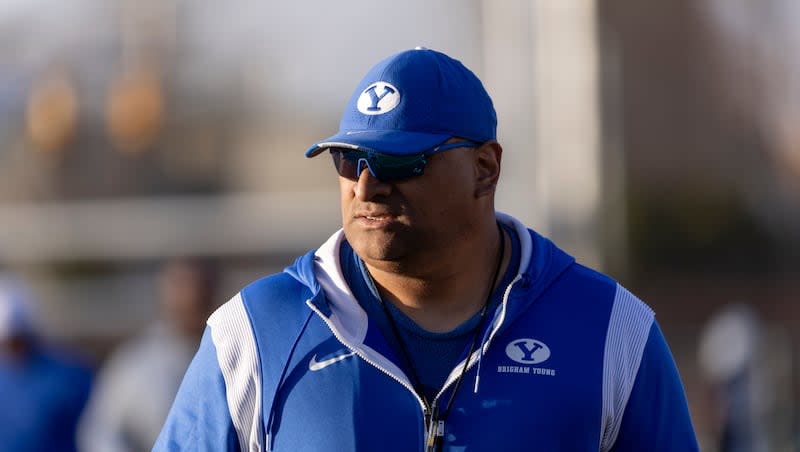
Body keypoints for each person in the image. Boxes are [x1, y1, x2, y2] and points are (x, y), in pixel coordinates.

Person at [155, 47, 698, 451]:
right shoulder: (255, 333)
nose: (366, 186)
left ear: (485, 169)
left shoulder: (612, 330)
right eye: (349, 161)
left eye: (400, 162)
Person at [79, 258, 219, 452]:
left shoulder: (229, 355)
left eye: (200, 293)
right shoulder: (135, 364)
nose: (191, 299)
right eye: (181, 289)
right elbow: (103, 433)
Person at [0, 273, 93, 452]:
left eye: (18, 339)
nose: (12, 348)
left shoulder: (69, 376)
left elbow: (98, 429)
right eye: (6, 341)